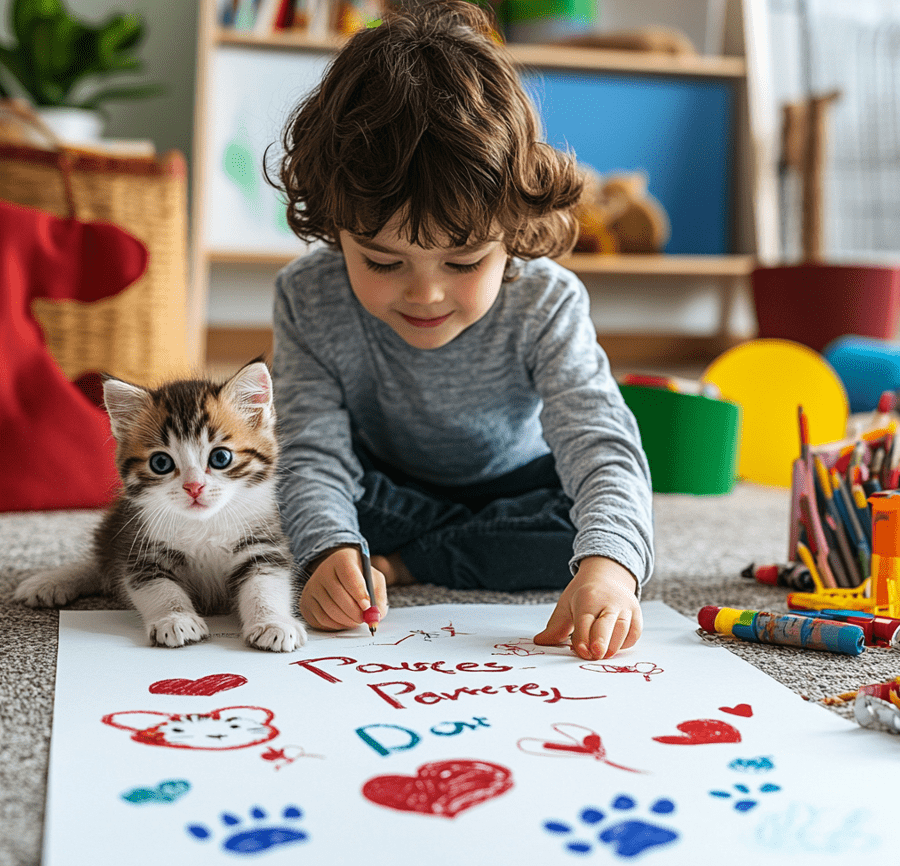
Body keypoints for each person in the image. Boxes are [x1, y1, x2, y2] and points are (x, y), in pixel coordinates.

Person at [270, 0, 653, 661]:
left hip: (517, 490)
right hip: (382, 489)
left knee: (594, 533)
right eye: (384, 261)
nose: (426, 293)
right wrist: (328, 549)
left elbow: (601, 448)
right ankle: (394, 553)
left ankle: (409, 563)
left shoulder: (548, 300)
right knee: (275, 507)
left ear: (513, 232)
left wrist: (611, 572)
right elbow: (311, 452)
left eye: (465, 260)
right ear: (334, 225)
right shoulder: (308, 296)